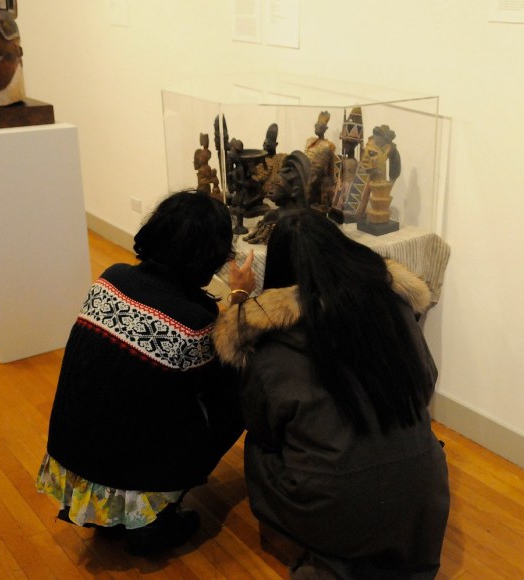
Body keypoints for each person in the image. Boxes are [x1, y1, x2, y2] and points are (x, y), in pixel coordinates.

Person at [213, 209, 450, 579]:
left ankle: (331, 556)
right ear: (345, 252)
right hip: (424, 492)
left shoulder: (270, 345)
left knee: (259, 452)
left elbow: (260, 424)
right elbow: (425, 384)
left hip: (334, 504)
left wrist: (240, 297)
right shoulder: (396, 309)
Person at [36, 189, 255, 555]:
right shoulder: (193, 322)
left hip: (69, 453)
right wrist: (238, 299)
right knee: (239, 393)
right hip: (126, 465)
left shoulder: (111, 278)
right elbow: (222, 384)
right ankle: (153, 516)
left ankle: (109, 509)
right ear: (212, 255)